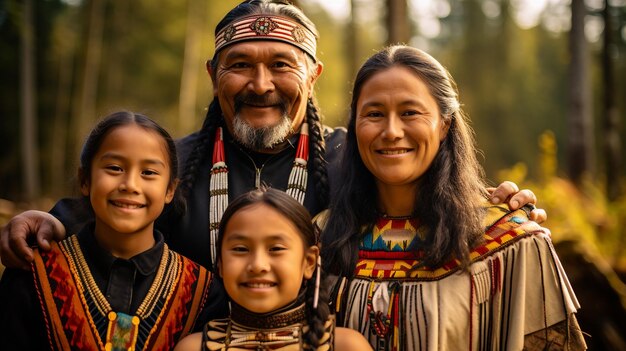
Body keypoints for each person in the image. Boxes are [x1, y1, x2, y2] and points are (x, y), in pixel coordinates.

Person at [1, 0, 539, 277]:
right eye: (240, 66)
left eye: (281, 65)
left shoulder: (359, 156)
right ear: (214, 75)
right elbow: (113, 205)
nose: (261, 85)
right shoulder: (173, 164)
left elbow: (435, 187)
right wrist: (50, 221)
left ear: (313, 76)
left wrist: (501, 204)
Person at [320, 45, 586, 351]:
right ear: (355, 126)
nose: (391, 131)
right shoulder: (322, 238)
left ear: (444, 124)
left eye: (410, 112)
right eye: (375, 114)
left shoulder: (512, 241)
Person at [0, 112, 211, 350]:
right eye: (114, 168)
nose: (130, 184)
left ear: (170, 190)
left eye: (148, 173)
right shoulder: (32, 274)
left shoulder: (199, 291)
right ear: (85, 180)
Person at [174, 187, 372, 351]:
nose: (258, 265)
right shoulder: (193, 347)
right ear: (221, 264)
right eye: (240, 249)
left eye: (276, 249)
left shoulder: (346, 346)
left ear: (309, 262)